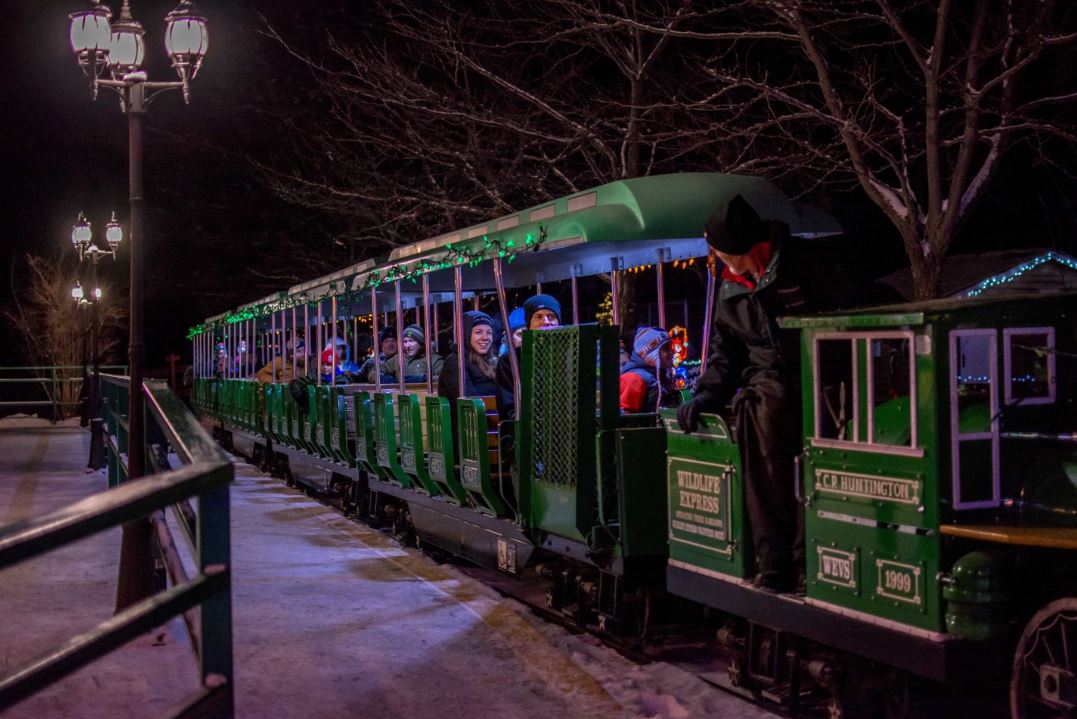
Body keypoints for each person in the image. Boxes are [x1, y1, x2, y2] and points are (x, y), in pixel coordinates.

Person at [676, 194, 856, 594]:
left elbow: (845, 323)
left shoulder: (807, 264)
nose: (720, 260)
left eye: (722, 252)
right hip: (769, 389)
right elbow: (727, 354)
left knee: (814, 469)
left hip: (823, 380)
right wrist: (705, 395)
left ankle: (810, 561)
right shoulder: (730, 287)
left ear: (746, 247)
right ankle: (773, 563)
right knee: (764, 436)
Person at [495, 294, 562, 421]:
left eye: (551, 316)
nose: (546, 322)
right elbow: (508, 409)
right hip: (528, 430)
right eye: (538, 317)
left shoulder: (569, 356)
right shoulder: (510, 361)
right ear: (529, 324)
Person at [437, 310, 498, 403]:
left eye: (489, 332)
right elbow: (469, 401)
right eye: (478, 332)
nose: (485, 337)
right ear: (466, 334)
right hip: (469, 416)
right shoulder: (456, 361)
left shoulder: (492, 360)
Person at [619, 326, 677, 413]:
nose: (673, 352)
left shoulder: (660, 377)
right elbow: (625, 421)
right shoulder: (633, 379)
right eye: (666, 348)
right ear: (650, 352)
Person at [380, 324, 444, 383]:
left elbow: (445, 378)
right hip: (401, 395)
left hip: (423, 394)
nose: (407, 345)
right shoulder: (399, 358)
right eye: (405, 341)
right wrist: (383, 378)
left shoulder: (434, 360)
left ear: (420, 343)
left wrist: (424, 379)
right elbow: (374, 372)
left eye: (411, 341)